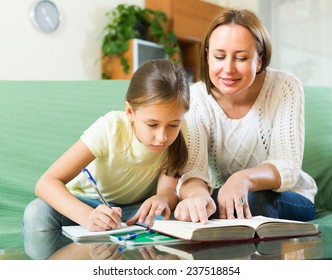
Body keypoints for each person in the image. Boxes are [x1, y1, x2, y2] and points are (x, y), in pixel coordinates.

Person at [173, 8, 317, 224]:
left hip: (286, 196)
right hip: (225, 195)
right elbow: (193, 172)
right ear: (208, 56)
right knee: (196, 207)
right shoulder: (196, 98)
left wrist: (243, 178)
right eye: (219, 56)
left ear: (259, 60)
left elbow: (287, 166)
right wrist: (197, 197)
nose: (228, 69)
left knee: (255, 200)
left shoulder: (285, 87)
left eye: (241, 57)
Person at [23, 59, 190, 234]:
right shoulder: (110, 128)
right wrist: (89, 216)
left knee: (172, 217)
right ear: (130, 112)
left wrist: (161, 199)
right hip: (90, 204)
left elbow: (169, 190)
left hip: (136, 210)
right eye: (152, 124)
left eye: (172, 125)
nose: (162, 137)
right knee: (37, 213)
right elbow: (46, 183)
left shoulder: (181, 128)